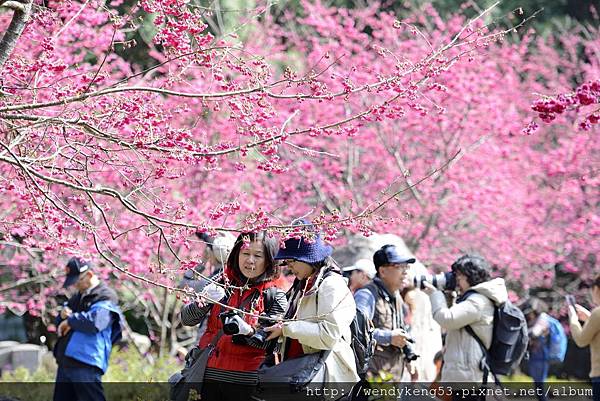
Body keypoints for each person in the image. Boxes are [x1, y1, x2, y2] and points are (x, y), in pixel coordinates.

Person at [179, 231, 288, 401]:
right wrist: (204, 301)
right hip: (207, 376)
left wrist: (249, 332)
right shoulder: (222, 281)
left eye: (258, 255)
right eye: (245, 253)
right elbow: (187, 319)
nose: (250, 260)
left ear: (269, 260)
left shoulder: (274, 295)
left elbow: (272, 344)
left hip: (249, 382)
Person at [264, 220, 359, 397]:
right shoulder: (304, 284)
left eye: (292, 261)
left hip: (324, 380)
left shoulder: (331, 285)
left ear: (308, 258)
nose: (289, 267)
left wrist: (286, 328)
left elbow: (328, 336)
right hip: (304, 376)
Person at [422, 254, 508, 401]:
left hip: (469, 378)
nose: (457, 281)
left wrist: (434, 294)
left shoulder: (478, 301)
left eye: (460, 278)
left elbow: (447, 319)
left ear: (471, 277)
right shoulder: (474, 299)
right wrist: (449, 297)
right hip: (466, 375)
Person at [53, 257, 123, 401]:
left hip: (87, 361)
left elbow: (95, 322)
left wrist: (70, 321)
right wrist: (63, 317)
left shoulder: (106, 295)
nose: (75, 286)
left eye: (77, 281)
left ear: (89, 275)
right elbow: (60, 320)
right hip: (66, 361)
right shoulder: (77, 297)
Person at [353, 244, 415, 382]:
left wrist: (409, 356)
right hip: (369, 380)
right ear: (382, 271)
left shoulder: (397, 296)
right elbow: (356, 333)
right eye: (399, 266)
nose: (405, 271)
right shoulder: (367, 295)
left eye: (406, 266)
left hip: (389, 379)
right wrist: (388, 337)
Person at [568, 274, 600, 401]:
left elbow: (581, 340)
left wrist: (573, 320)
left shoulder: (597, 313)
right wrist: (588, 317)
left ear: (596, 289)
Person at [521, 297, 552, 401]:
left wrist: (524, 332)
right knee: (538, 386)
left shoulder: (542, 319)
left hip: (541, 358)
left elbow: (535, 333)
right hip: (536, 357)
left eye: (531, 312)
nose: (529, 314)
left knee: (540, 386)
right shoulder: (537, 320)